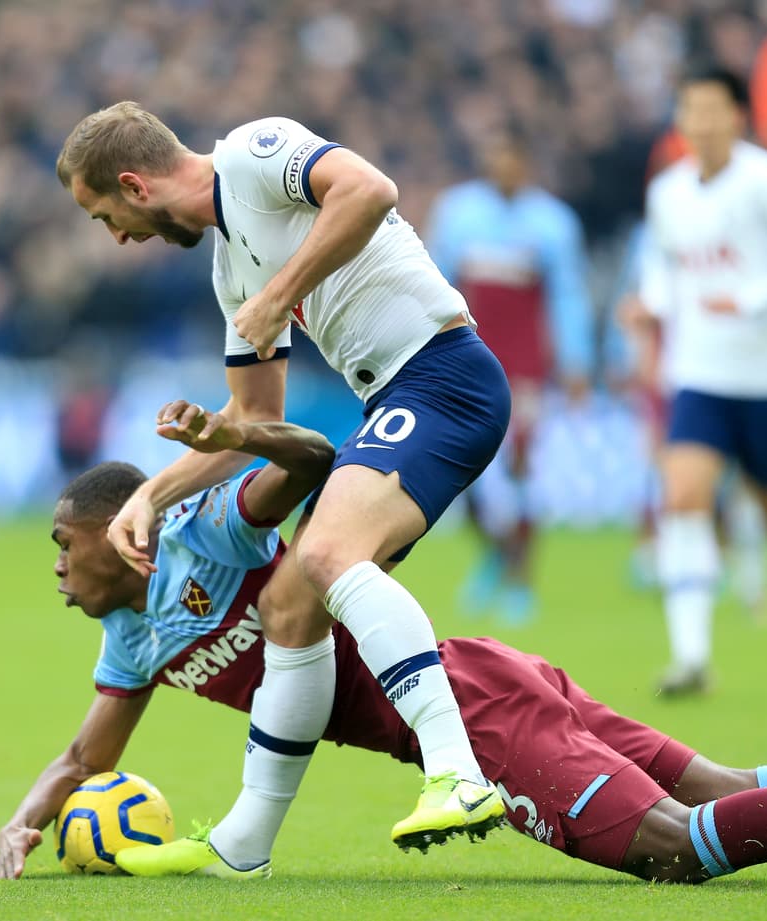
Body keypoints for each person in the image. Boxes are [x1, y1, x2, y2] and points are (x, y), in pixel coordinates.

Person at [0, 409, 767, 892]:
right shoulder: (132, 636)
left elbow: (311, 451)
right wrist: (32, 812)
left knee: (672, 850)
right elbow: (91, 748)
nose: (53, 568)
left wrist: (236, 435)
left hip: (470, 714)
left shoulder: (210, 530)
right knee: (719, 788)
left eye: (60, 545)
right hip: (486, 675)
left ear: (116, 533)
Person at [55, 101, 512, 871]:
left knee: (329, 552)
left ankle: (459, 775)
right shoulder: (230, 269)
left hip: (444, 376)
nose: (117, 238)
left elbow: (370, 190)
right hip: (397, 397)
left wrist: (279, 295)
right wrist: (149, 496)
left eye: (105, 216)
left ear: (133, 185)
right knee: (288, 605)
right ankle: (244, 844)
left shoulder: (256, 153)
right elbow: (251, 422)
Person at [620, 67, 767, 697]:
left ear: (738, 116)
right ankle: (691, 660)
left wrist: (755, 296)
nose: (700, 122)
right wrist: (649, 307)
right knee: (683, 498)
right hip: (698, 373)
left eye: (712, 109)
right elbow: (666, 273)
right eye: (689, 109)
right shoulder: (668, 192)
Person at [425, 127, 595, 624]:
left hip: (523, 363)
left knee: (520, 464)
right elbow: (433, 281)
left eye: (511, 158)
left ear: (525, 163)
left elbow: (568, 295)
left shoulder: (552, 222)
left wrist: (577, 360)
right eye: (495, 156)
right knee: (460, 467)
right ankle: (497, 554)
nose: (503, 166)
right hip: (467, 356)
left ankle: (522, 581)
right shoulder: (458, 212)